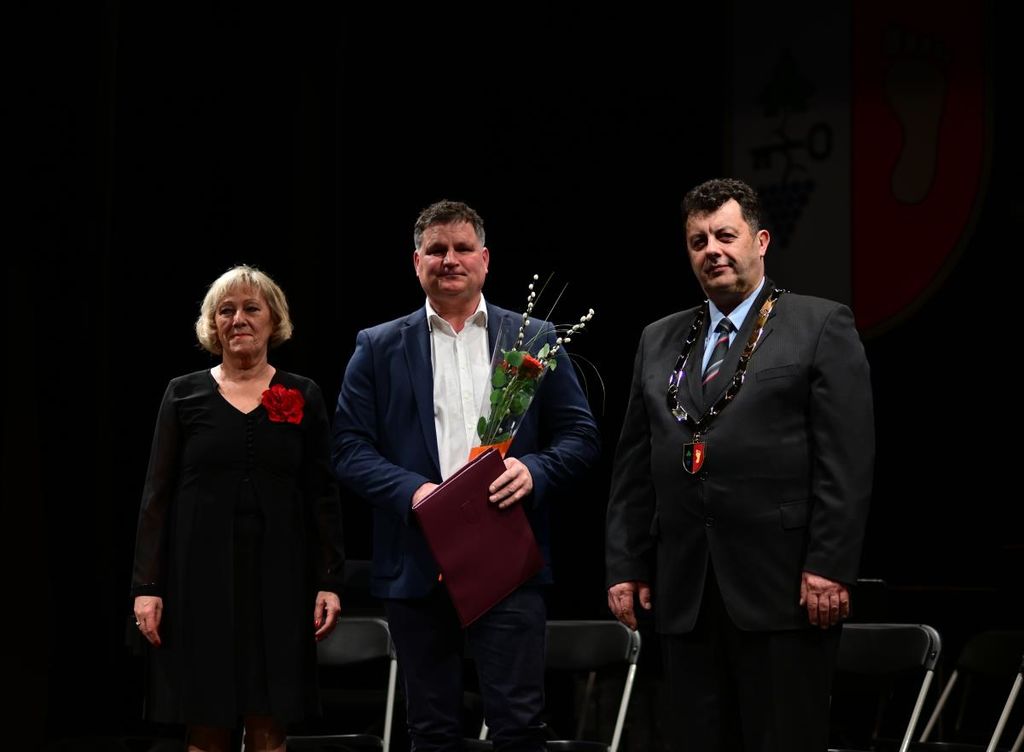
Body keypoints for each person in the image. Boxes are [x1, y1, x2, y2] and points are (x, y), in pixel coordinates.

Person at [605, 178, 874, 751]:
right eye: (698, 240)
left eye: (725, 236)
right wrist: (626, 562)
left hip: (784, 589)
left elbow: (846, 460)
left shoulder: (819, 324)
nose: (712, 251)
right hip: (685, 590)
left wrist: (829, 564)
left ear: (761, 241)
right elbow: (633, 465)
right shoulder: (658, 338)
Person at [332, 199, 600, 751]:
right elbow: (348, 449)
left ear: (485, 259)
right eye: (436, 249)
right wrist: (415, 492)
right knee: (432, 731)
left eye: (462, 248)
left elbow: (581, 436)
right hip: (418, 561)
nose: (449, 259)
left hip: (507, 557)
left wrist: (534, 469)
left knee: (519, 726)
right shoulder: (378, 346)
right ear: (417, 262)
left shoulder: (533, 337)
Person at [131, 265, 345, 752]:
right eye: (225, 311)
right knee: (206, 720)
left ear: (274, 320)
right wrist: (146, 587)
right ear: (213, 324)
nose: (238, 319)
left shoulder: (303, 394)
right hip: (198, 582)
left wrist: (329, 580)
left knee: (269, 723)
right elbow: (156, 496)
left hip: (280, 582)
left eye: (252, 308)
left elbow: (322, 496)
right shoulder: (182, 393)